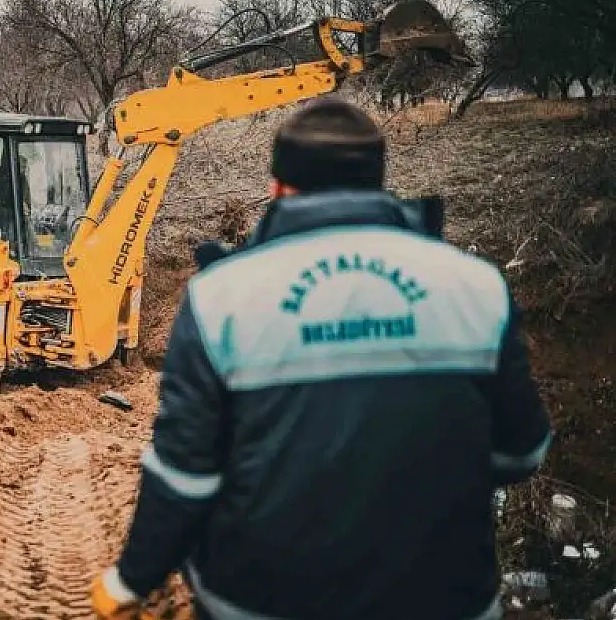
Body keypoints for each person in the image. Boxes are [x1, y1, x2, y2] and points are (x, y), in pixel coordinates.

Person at [91, 97, 553, 620]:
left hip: (261, 602)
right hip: (445, 599)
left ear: (278, 189)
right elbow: (523, 451)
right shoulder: (478, 286)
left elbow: (185, 476)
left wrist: (134, 579)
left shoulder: (222, 296)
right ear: (378, 181)